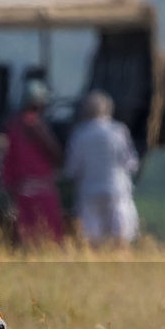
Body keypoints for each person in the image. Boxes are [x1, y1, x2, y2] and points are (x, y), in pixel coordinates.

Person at [63, 91, 140, 246]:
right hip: (116, 190)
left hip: (89, 192)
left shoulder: (80, 134)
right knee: (121, 239)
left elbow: (72, 169)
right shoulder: (118, 131)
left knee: (93, 241)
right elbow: (131, 163)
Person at [1, 79, 65, 244]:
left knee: (26, 237)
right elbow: (55, 153)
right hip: (41, 193)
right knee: (49, 237)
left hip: (22, 191)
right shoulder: (34, 123)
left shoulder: (13, 125)